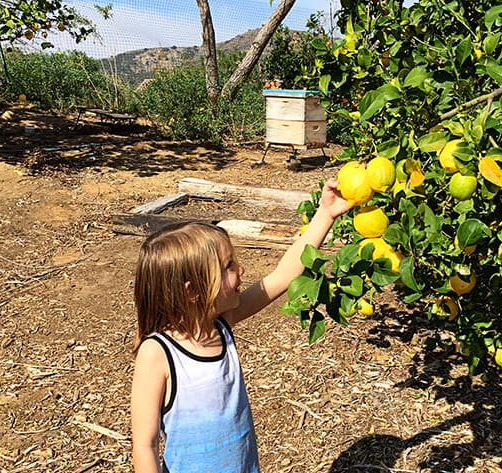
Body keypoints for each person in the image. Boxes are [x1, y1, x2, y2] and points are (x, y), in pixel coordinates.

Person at [130, 179, 350, 473]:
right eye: (229, 266)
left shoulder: (221, 323)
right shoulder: (158, 353)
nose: (241, 269)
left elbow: (283, 275)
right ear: (192, 290)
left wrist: (325, 214)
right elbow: (144, 444)